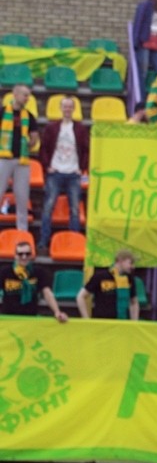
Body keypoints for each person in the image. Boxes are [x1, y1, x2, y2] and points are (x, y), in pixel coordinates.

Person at [37, 96, 89, 254]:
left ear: (74, 109)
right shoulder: (51, 127)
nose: (67, 109)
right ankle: (43, 242)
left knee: (75, 209)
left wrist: (82, 168)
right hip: (56, 172)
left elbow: (86, 150)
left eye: (70, 106)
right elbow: (43, 148)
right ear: (61, 108)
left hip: (73, 173)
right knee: (48, 206)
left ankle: (74, 241)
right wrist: (47, 166)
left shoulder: (80, 129)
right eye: (65, 106)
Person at [0, 84, 39, 231]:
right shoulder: (2, 112)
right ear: (15, 94)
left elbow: (34, 137)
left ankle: (22, 232)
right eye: (25, 95)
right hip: (3, 159)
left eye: (28, 95)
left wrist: (30, 142)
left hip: (21, 161)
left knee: (22, 198)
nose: (27, 98)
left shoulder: (29, 116)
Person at [0, 241, 68, 322]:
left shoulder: (39, 272)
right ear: (15, 255)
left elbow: (47, 293)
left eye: (27, 254)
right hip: (8, 318)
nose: (24, 257)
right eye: (20, 254)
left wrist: (57, 312)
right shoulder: (4, 272)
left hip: (31, 318)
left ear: (31, 255)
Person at [76, 250, 139, 320]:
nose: (133, 267)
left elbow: (134, 302)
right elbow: (80, 296)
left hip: (122, 322)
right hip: (102, 322)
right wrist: (86, 319)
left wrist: (134, 322)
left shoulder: (129, 279)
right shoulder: (100, 276)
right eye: (131, 263)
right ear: (120, 261)